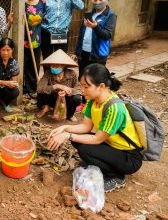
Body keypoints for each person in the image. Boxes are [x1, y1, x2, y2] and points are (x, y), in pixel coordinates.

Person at [48, 63, 143, 192]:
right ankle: (101, 163)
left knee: (85, 149)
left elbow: (97, 139)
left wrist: (66, 135)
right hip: (111, 145)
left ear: (101, 87)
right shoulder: (93, 100)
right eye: (81, 86)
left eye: (86, 86)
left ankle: (116, 176)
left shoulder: (114, 108)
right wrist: (64, 128)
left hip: (129, 157)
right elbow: (86, 127)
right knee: (77, 140)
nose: (81, 90)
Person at [40, 0, 84, 69]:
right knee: (47, 59)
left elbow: (81, 6)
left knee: (60, 60)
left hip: (61, 34)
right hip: (46, 33)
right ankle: (48, 81)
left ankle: (59, 80)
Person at [75, 0, 117, 77]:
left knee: (94, 80)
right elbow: (81, 34)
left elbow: (107, 35)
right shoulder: (89, 13)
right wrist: (77, 52)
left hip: (98, 55)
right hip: (84, 53)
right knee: (82, 78)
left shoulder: (110, 15)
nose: (97, 2)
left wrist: (95, 27)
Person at [36, 49, 81, 121]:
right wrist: (56, 86)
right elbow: (39, 88)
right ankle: (46, 107)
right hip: (52, 99)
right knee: (41, 91)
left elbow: (78, 90)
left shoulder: (72, 74)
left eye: (57, 65)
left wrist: (67, 92)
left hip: (65, 100)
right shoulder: (48, 73)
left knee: (77, 98)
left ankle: (70, 115)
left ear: (63, 65)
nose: (54, 67)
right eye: (52, 65)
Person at [23, 0, 45, 96]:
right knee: (22, 64)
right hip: (22, 38)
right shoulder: (22, 1)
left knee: (33, 65)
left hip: (35, 39)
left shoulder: (42, 2)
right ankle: (21, 88)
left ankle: (31, 89)